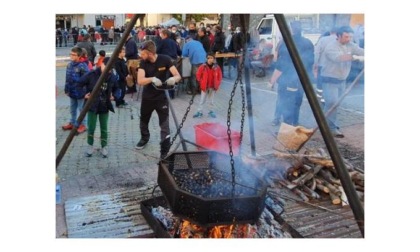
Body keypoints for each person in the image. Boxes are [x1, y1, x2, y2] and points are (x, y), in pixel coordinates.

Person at [136, 40, 182, 160]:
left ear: (150, 53)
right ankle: (144, 138)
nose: (141, 55)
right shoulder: (143, 63)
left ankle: (164, 150)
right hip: (148, 98)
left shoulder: (165, 59)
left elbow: (177, 75)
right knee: (144, 120)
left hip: (162, 97)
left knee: (164, 125)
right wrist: (152, 79)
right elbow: (140, 80)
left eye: (143, 53)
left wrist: (174, 79)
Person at [320, 25, 364, 138]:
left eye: (350, 37)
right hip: (330, 79)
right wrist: (356, 58)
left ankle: (324, 123)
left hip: (342, 80)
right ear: (338, 36)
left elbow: (360, 50)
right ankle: (331, 128)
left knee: (336, 104)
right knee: (332, 103)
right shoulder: (331, 47)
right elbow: (339, 58)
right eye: (346, 37)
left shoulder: (350, 44)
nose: (348, 39)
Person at [269, 21, 314, 127]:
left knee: (283, 102)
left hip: (287, 80)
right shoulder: (308, 43)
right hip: (302, 80)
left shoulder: (287, 43)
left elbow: (280, 65)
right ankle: (294, 122)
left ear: (291, 29)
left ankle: (285, 126)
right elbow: (312, 62)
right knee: (297, 102)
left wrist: (272, 81)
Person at [78, 57, 120, 158]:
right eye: (107, 67)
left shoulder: (112, 76)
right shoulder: (91, 74)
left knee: (104, 128)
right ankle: (90, 145)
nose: (108, 71)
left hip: (104, 106)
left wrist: (114, 96)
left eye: (110, 69)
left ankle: (104, 146)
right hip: (92, 106)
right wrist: (84, 94)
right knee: (91, 127)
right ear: (102, 64)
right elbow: (79, 84)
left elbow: (117, 89)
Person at [62, 47, 89, 134]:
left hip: (81, 93)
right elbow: (67, 78)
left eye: (73, 55)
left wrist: (86, 92)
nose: (71, 56)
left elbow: (87, 80)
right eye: (71, 54)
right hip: (71, 91)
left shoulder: (83, 66)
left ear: (79, 56)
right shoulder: (69, 65)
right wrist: (66, 89)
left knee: (81, 109)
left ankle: (83, 124)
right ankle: (72, 122)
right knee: (72, 109)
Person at [193, 52, 222, 118]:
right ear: (206, 58)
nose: (210, 59)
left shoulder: (217, 67)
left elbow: (220, 76)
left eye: (212, 58)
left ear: (214, 59)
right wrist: (201, 82)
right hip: (205, 86)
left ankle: (211, 111)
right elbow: (198, 75)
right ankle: (200, 112)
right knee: (202, 100)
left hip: (212, 86)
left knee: (211, 100)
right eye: (209, 58)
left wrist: (217, 83)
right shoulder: (203, 66)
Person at [313, 27, 338, 105]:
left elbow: (317, 53)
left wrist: (315, 64)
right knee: (331, 84)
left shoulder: (323, 40)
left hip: (322, 66)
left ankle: (320, 99)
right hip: (335, 67)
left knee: (320, 84)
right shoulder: (339, 41)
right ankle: (330, 99)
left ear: (330, 31)